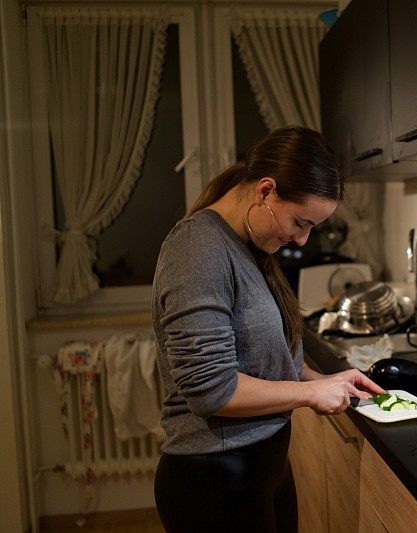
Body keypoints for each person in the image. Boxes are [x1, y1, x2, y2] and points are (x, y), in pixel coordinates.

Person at [151, 126, 384, 532]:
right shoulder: (197, 248)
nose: (301, 239)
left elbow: (263, 362)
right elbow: (211, 389)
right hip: (214, 480)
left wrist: (325, 379)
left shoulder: (247, 245)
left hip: (260, 468)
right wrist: (311, 393)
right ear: (264, 191)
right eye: (300, 221)